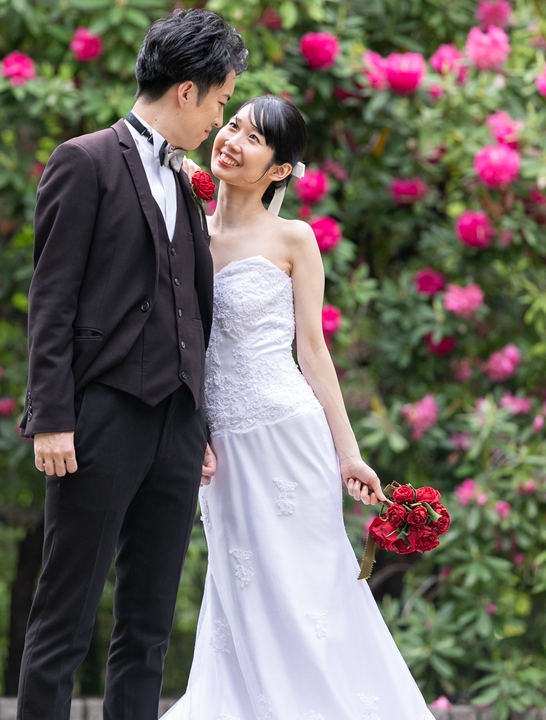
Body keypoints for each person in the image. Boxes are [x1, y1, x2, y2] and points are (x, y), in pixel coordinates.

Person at [163, 94, 435, 720]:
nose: (232, 140)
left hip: (287, 434)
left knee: (310, 590)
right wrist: (190, 429)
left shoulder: (294, 238)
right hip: (221, 449)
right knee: (239, 590)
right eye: (233, 125)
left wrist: (350, 455)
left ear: (280, 169)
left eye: (254, 139)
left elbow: (312, 350)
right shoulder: (186, 233)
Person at [16, 9, 248, 720]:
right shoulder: (83, 161)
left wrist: (197, 420)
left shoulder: (185, 181)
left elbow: (190, 308)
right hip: (101, 418)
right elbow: (51, 300)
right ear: (186, 91)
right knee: (64, 618)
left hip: (177, 428)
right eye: (219, 100)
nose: (219, 119)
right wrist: (51, 418)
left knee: (147, 630)